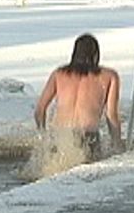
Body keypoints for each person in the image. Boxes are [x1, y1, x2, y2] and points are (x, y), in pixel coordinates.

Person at [33, 34, 124, 163]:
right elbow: (111, 115)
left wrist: (43, 138)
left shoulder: (59, 74)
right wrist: (117, 146)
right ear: (96, 54)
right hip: (87, 138)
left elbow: (40, 110)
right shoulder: (109, 76)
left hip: (60, 136)